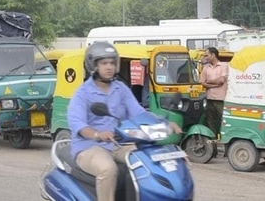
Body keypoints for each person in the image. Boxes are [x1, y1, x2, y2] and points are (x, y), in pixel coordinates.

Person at [67, 42, 181, 201]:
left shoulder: (120, 88)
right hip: (89, 147)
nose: (109, 67)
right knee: (108, 169)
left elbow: (139, 113)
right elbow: (77, 124)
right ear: (93, 66)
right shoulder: (82, 93)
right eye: (104, 63)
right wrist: (98, 134)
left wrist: (163, 124)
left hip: (119, 143)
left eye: (112, 63)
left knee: (148, 159)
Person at [200, 46, 228, 138]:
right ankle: (212, 139)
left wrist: (209, 82)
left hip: (221, 99)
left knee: (222, 120)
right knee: (210, 120)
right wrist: (214, 84)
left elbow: (221, 81)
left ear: (213, 55)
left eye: (207, 55)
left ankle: (223, 138)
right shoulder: (206, 68)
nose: (205, 57)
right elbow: (202, 83)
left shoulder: (223, 66)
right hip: (209, 98)